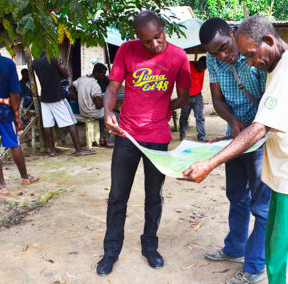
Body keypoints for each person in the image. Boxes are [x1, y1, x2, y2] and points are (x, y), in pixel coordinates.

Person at [182, 16, 288, 284]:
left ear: (269, 41)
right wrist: (230, 134)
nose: (248, 63)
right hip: (283, 174)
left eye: (250, 55)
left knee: (283, 260)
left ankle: (254, 266)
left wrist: (210, 163)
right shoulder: (278, 64)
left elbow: (260, 127)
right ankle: (241, 252)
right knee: (276, 253)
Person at [96, 10, 191, 275]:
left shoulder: (178, 57)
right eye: (146, 41)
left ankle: (150, 246)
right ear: (137, 37)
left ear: (163, 28)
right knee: (117, 197)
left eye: (157, 37)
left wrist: (161, 109)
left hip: (157, 139)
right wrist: (108, 113)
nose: (154, 44)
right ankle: (111, 251)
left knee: (153, 196)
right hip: (126, 136)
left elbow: (183, 98)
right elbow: (112, 89)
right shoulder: (126, 51)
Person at [196, 18, 270, 284]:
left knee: (261, 204)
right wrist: (233, 122)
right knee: (236, 194)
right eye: (215, 53)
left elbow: (270, 100)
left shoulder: (254, 52)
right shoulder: (213, 58)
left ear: (233, 33)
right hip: (235, 135)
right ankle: (235, 249)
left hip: (260, 137)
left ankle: (255, 266)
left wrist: (250, 129)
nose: (223, 56)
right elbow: (217, 99)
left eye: (225, 48)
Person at [32, 52, 95, 157]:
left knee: (48, 124)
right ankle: (78, 149)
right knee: (71, 122)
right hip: (57, 95)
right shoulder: (52, 58)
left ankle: (52, 150)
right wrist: (61, 66)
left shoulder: (34, 63)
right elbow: (65, 74)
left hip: (44, 97)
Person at [0, 51, 39, 196]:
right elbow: (14, 93)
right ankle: (25, 178)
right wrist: (17, 116)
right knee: (14, 144)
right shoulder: (7, 64)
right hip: (6, 114)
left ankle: (2, 187)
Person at [69, 63, 111, 146]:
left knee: (103, 114)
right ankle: (108, 139)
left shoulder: (81, 79)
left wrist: (78, 100)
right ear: (97, 73)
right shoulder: (95, 86)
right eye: (102, 75)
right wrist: (105, 104)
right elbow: (98, 105)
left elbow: (70, 88)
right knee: (112, 114)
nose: (103, 77)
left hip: (82, 111)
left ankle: (101, 138)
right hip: (91, 112)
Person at [179, 56, 207, 141]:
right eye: (202, 67)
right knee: (184, 116)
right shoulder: (187, 65)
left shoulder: (203, 68)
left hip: (198, 96)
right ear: (198, 63)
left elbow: (201, 81)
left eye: (205, 68)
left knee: (200, 117)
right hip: (186, 96)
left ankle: (201, 136)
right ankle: (182, 134)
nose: (203, 70)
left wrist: (197, 91)